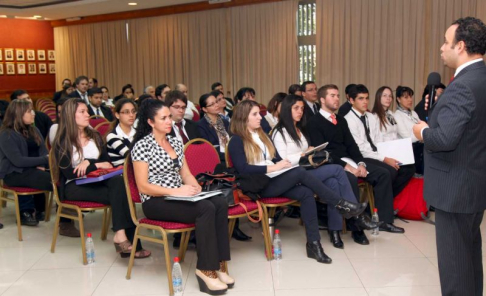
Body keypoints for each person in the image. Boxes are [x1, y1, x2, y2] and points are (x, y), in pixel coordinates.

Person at [228, 100, 368, 263]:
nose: (260, 117)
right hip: (258, 186)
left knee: (306, 193)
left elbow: (276, 159)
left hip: (274, 178)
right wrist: (273, 168)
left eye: (259, 113)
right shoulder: (237, 140)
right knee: (300, 173)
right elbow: (243, 169)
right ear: (243, 117)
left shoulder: (261, 135)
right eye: (255, 114)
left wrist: (284, 163)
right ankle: (342, 204)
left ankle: (314, 245)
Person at [412, 17, 486, 296]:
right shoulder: (479, 78)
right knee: (469, 261)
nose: (442, 48)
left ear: (462, 46)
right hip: (472, 183)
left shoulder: (463, 86)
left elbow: (443, 139)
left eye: (446, 42)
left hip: (455, 189)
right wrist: (441, 109)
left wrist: (422, 130)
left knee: (455, 268)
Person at [131, 99, 233, 294]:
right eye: (163, 118)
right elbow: (143, 186)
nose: (169, 121)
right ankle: (205, 270)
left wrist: (195, 187)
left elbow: (185, 174)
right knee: (205, 209)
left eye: (169, 117)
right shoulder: (142, 146)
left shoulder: (176, 142)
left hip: (180, 196)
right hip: (155, 201)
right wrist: (176, 191)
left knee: (219, 203)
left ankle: (218, 265)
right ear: (151, 122)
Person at [272, 95, 381, 248]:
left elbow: (306, 155)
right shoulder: (280, 132)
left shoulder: (300, 129)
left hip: (306, 170)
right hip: (293, 175)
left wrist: (312, 152)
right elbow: (284, 161)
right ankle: (356, 215)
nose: (300, 111)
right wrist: (304, 154)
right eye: (296, 108)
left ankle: (335, 230)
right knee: (337, 169)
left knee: (334, 183)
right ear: (286, 110)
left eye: (302, 108)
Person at [51, 98, 150, 258]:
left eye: (86, 111)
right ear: (70, 115)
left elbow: (108, 164)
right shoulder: (62, 142)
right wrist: (96, 164)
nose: (87, 114)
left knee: (119, 184)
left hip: (97, 182)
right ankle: (130, 244)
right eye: (82, 112)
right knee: (122, 194)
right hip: (74, 187)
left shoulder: (94, 136)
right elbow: (70, 173)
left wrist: (88, 162)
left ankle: (121, 236)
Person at [307, 84, 404, 233]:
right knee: (350, 178)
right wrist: (349, 167)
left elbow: (352, 146)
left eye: (338, 95)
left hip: (349, 160)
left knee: (383, 174)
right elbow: (324, 153)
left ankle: (384, 221)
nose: (337, 99)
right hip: (331, 163)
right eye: (332, 96)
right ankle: (356, 228)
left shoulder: (340, 120)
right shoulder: (314, 122)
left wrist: (361, 163)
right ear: (322, 100)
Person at [344, 84, 414, 198]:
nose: (365, 101)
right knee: (390, 171)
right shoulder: (357, 119)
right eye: (385, 96)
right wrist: (385, 158)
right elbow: (362, 148)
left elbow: (377, 141)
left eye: (367, 98)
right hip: (363, 156)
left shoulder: (375, 116)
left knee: (408, 168)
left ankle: (387, 199)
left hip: (381, 151)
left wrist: (389, 155)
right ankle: (382, 202)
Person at [0, 100, 50, 226]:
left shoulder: (35, 130)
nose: (33, 113)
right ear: (18, 114)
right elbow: (18, 161)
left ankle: (66, 212)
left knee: (60, 175)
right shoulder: (7, 134)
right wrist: (44, 161)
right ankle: (67, 214)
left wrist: (43, 165)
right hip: (14, 173)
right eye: (29, 111)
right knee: (53, 180)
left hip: (34, 170)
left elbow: (44, 152)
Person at [393, 86, 424, 174]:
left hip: (418, 146)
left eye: (410, 97)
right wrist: (421, 136)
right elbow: (407, 137)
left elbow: (421, 127)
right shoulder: (397, 115)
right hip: (408, 149)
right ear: (398, 99)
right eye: (406, 97)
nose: (410, 100)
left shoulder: (413, 113)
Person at [197, 93, 230, 162]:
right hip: (215, 159)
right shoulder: (200, 125)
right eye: (212, 104)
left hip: (230, 155)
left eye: (216, 102)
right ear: (204, 109)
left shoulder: (225, 122)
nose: (216, 105)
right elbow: (207, 148)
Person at [106, 98, 137, 167]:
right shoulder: (112, 136)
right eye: (126, 112)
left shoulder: (139, 133)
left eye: (133, 111)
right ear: (117, 115)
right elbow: (130, 156)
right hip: (123, 174)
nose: (131, 115)